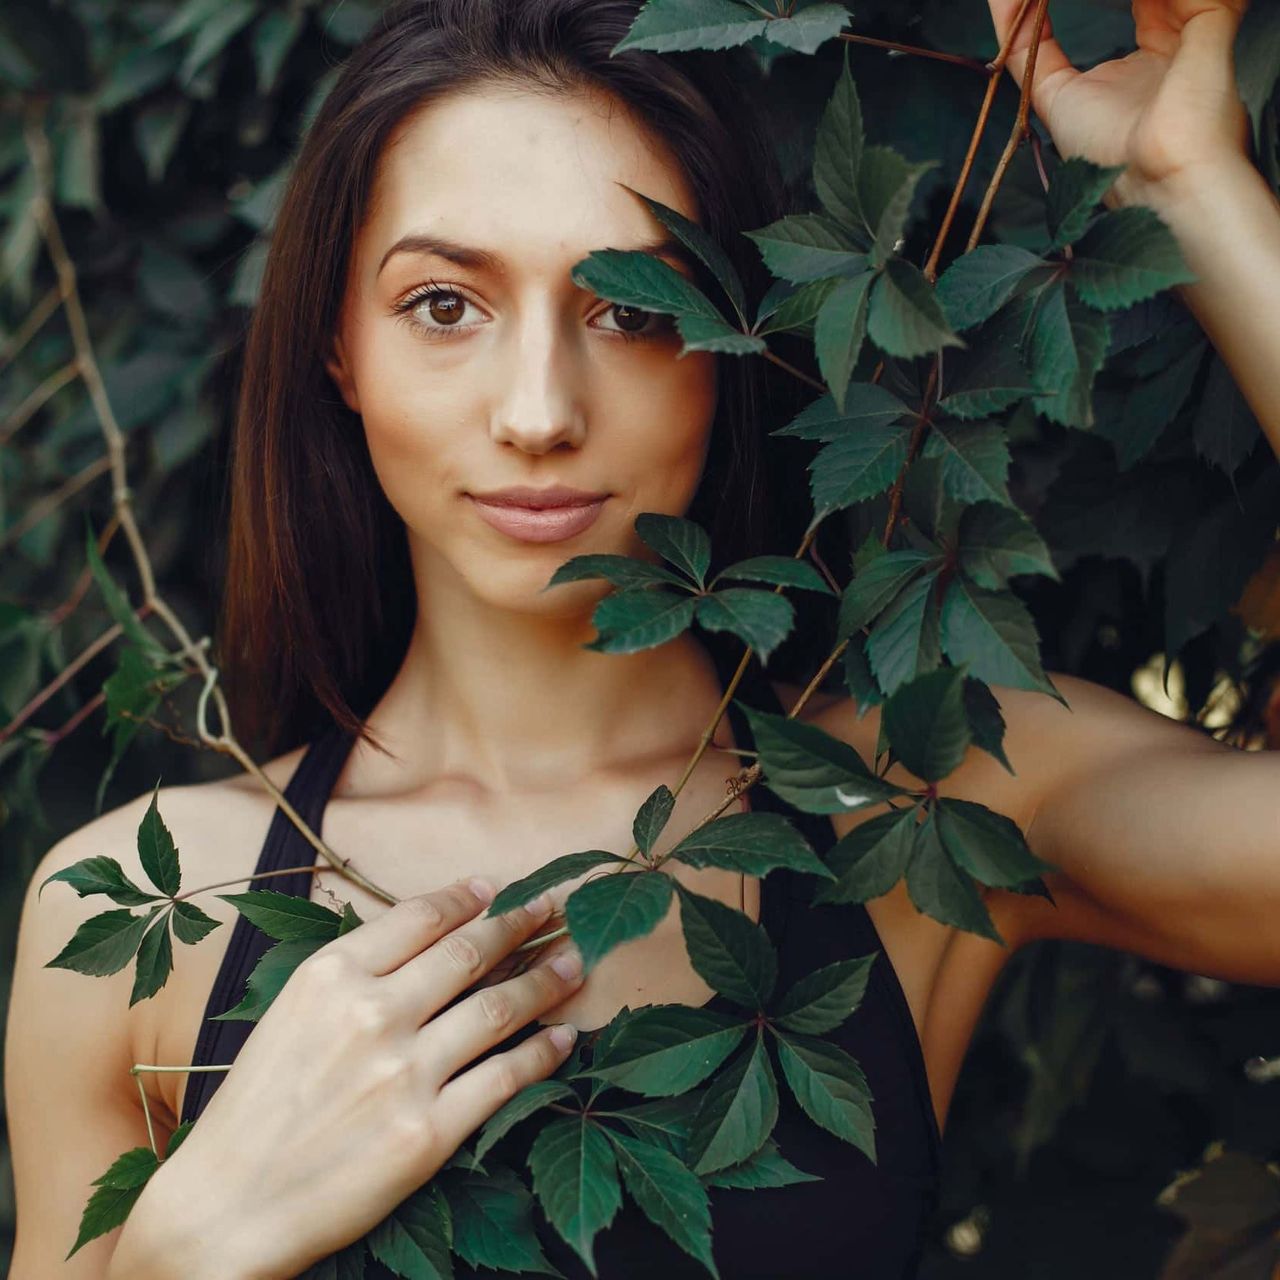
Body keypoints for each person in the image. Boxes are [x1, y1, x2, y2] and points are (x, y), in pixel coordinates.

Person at [5, 0, 1279, 1276]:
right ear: (338, 346)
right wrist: (178, 1250)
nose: (539, 410)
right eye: (444, 304)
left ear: (731, 347)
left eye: (632, 309)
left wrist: (1193, 195)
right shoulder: (138, 920)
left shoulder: (918, 811)